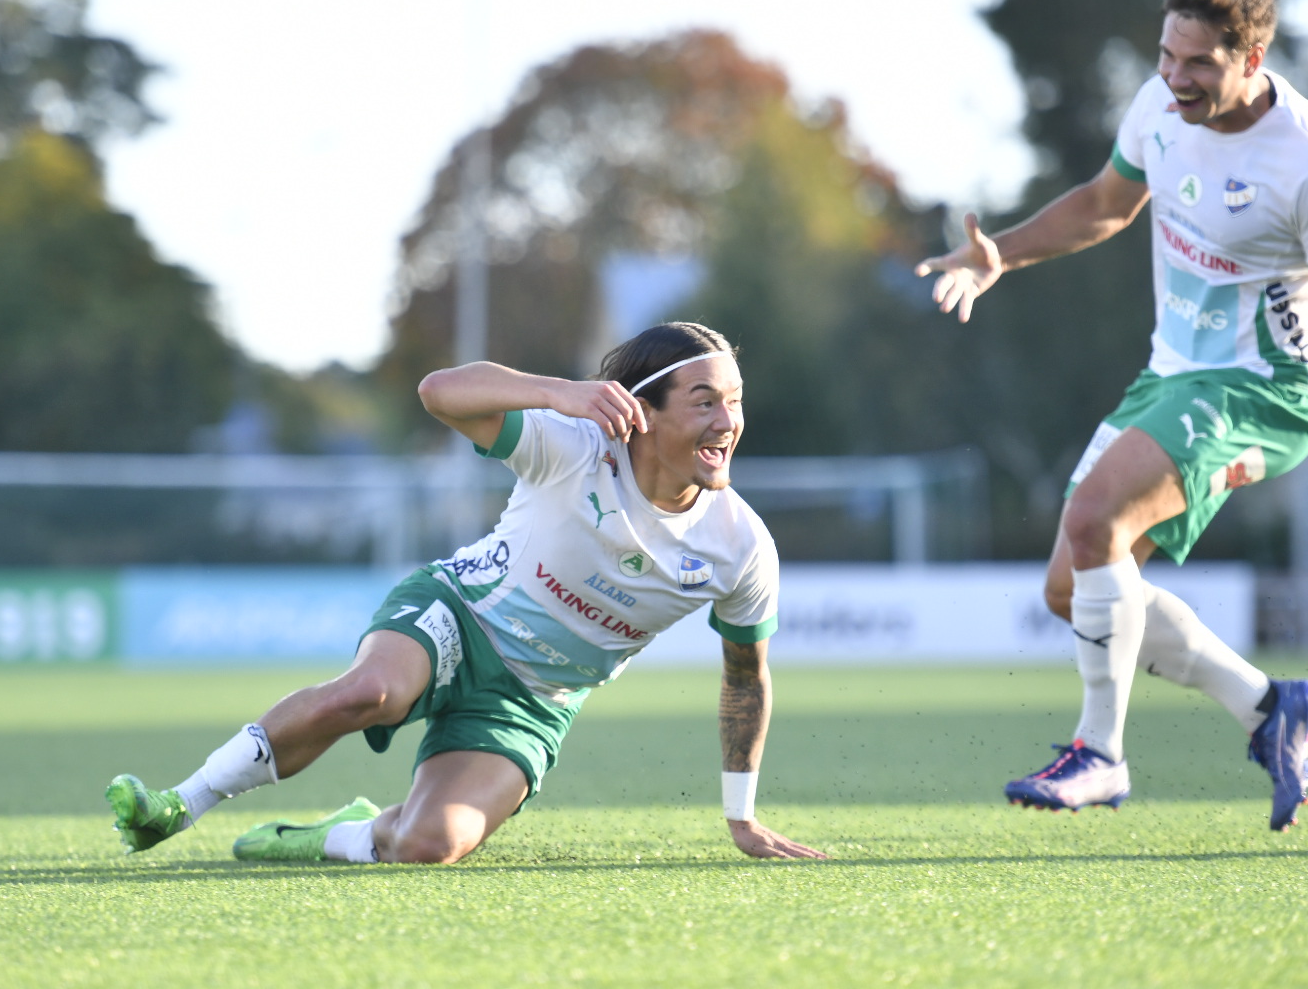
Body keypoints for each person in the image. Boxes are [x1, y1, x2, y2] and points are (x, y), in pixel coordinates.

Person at [915, 0, 1308, 831]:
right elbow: (1105, 204)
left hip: (1265, 392)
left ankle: (1100, 754)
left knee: (1094, 519)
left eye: (1199, 62)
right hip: (1171, 375)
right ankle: (1268, 706)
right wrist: (1000, 252)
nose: (1175, 76)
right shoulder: (1158, 106)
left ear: (1253, 57)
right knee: (1072, 587)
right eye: (1167, 55)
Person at [107, 322, 825, 863]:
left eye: (734, 402)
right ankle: (180, 804)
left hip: (532, 700)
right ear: (646, 411)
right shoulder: (573, 444)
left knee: (430, 845)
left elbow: (746, 679)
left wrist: (741, 816)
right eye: (705, 402)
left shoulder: (740, 547)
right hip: (460, 615)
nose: (728, 422)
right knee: (372, 694)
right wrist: (559, 393)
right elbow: (438, 393)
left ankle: (339, 834)